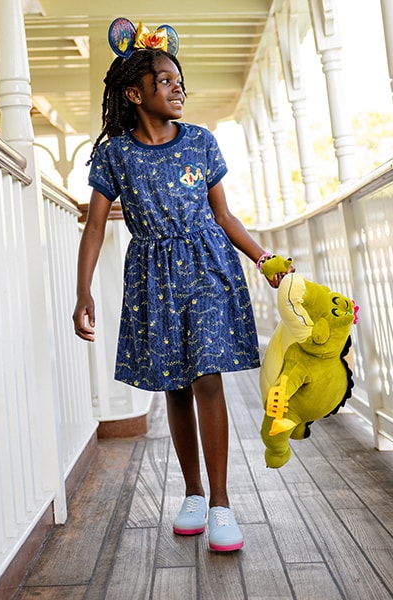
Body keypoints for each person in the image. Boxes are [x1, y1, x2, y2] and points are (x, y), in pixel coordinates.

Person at [72, 19, 291, 553]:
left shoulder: (201, 142)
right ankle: (192, 492)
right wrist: (83, 292)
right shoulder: (115, 154)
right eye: (165, 80)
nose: (177, 89)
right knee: (175, 384)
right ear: (134, 93)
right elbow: (97, 224)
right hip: (152, 277)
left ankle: (220, 502)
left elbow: (224, 214)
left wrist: (263, 258)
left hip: (209, 268)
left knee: (207, 379)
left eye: (179, 81)